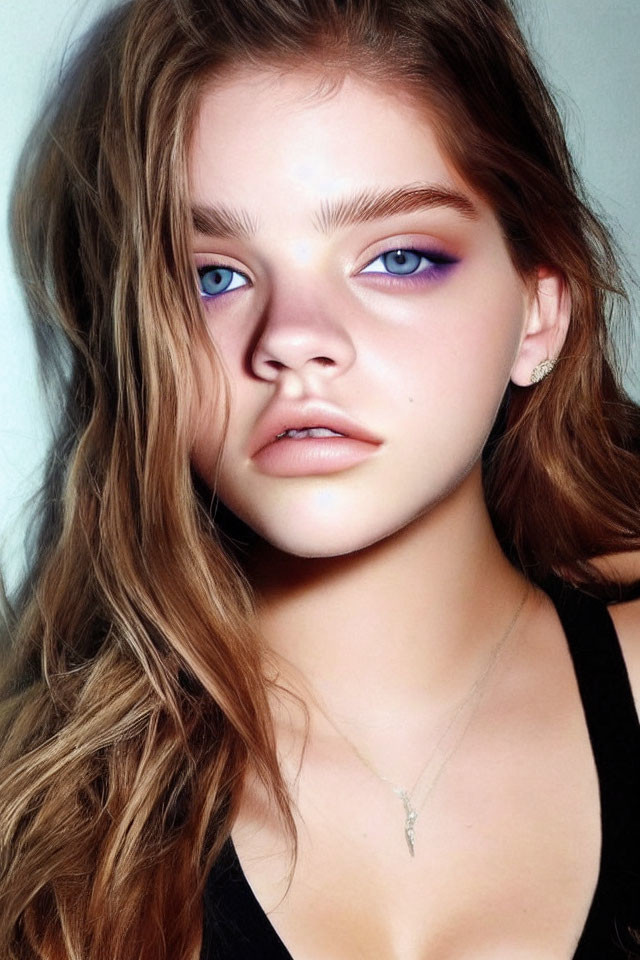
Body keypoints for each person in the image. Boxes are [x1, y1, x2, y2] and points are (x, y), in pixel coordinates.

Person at [1, 0, 639, 957]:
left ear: (540, 315)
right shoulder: (41, 815)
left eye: (397, 257)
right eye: (212, 275)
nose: (292, 338)